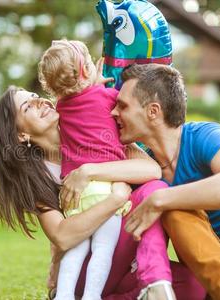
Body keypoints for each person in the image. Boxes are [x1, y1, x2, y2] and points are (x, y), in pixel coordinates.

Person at [0, 86, 206, 299]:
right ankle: (152, 282)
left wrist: (89, 171)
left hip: (124, 256)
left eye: (36, 96)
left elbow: (151, 169)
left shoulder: (90, 128)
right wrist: (116, 199)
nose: (40, 102)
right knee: (154, 191)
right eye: (28, 107)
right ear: (21, 135)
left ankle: (152, 284)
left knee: (194, 286)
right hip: (85, 266)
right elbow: (63, 236)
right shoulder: (37, 176)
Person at [108, 63, 220, 300]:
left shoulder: (203, 136)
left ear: (153, 111)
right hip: (216, 274)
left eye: (122, 106)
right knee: (174, 210)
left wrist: (161, 198)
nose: (114, 113)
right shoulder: (143, 171)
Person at [37, 39, 175, 300]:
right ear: (86, 72)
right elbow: (112, 105)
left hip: (78, 197)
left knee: (76, 253)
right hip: (106, 191)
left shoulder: (61, 108)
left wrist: (85, 83)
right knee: (103, 250)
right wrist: (99, 87)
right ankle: (92, 296)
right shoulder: (109, 99)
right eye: (89, 63)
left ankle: (63, 295)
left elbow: (75, 99)